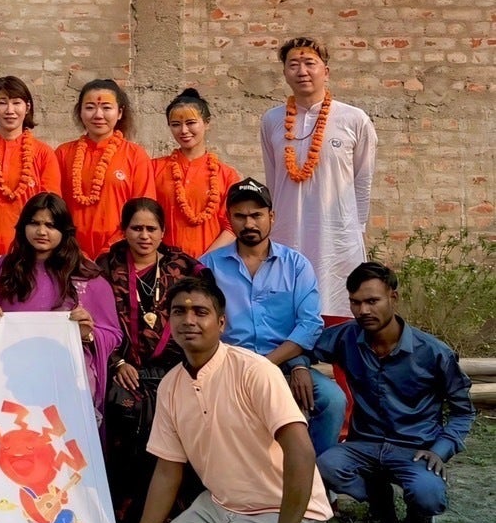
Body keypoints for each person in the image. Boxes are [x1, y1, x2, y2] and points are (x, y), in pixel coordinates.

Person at [125, 277, 336, 523]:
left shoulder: (255, 371)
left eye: (200, 312)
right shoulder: (171, 386)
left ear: (221, 323)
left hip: (281, 511)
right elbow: (167, 470)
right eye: (179, 312)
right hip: (220, 507)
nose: (189, 320)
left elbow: (301, 452)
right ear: (168, 321)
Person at [312, 261, 474, 523]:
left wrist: (440, 449)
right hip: (364, 445)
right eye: (355, 302)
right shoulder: (346, 337)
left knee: (428, 495)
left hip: (414, 449)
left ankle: (420, 516)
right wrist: (300, 368)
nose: (363, 311)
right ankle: (380, 502)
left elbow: (463, 411)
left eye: (372, 301)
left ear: (393, 297)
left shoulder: (433, 353)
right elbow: (304, 348)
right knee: (325, 466)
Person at [197, 178, 345, 454]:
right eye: (240, 216)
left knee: (332, 400)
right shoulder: (208, 267)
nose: (249, 223)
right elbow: (198, 324)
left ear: (271, 217)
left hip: (283, 363)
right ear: (229, 219)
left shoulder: (296, 265)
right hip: (228, 366)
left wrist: (277, 365)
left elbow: (310, 324)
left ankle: (314, 473)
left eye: (256, 215)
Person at [93, 197, 198, 523]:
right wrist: (118, 362)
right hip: (122, 367)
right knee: (123, 407)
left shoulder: (184, 268)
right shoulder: (104, 268)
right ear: (123, 230)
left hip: (175, 367)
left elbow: (202, 315)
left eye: (151, 229)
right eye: (136, 228)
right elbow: (96, 322)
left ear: (163, 231)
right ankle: (125, 514)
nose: (144, 236)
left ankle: (172, 513)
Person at [258, 37, 377, 320]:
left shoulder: (354, 119)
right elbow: (273, 181)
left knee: (339, 308)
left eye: (310, 63)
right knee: (288, 307)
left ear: (326, 71)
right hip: (288, 231)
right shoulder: (271, 120)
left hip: (337, 233)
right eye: (293, 65)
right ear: (284, 72)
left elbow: (363, 180)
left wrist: (355, 229)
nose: (302, 71)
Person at [0, 193, 122, 419]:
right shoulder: (3, 269)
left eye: (50, 225)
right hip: (9, 382)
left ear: (64, 231)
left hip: (67, 384)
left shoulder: (87, 277)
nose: (41, 231)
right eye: (34, 223)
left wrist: (88, 334)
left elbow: (113, 334)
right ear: (23, 226)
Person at [55, 78, 156, 259]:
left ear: (120, 113)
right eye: (90, 107)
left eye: (106, 108)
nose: (98, 115)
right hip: (70, 255)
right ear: (80, 112)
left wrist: (110, 250)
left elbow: (143, 212)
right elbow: (54, 209)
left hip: (120, 254)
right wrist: (74, 250)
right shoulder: (63, 154)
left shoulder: (136, 155)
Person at [0, 75, 61, 257]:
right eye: (2, 103)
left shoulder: (44, 154)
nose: (10, 110)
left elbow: (51, 210)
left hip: (27, 253)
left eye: (17, 103)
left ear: (28, 107)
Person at [152, 88, 238, 258]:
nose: (184, 130)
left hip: (211, 265)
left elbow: (231, 226)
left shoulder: (226, 175)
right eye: (176, 124)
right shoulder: (154, 168)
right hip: (163, 264)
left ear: (207, 123)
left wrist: (203, 262)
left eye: (191, 123)